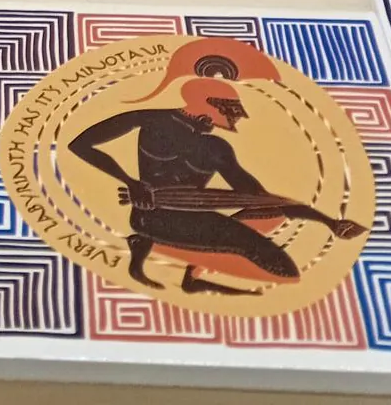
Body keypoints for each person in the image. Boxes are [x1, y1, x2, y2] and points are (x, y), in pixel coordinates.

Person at [68, 39, 365, 294]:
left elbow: (255, 196)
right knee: (276, 265)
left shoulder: (216, 147)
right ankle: (151, 246)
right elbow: (79, 144)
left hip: (195, 215)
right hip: (151, 216)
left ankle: (183, 272)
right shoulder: (151, 119)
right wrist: (131, 183)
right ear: (207, 103)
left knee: (270, 237)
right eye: (231, 109)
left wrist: (326, 221)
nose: (236, 118)